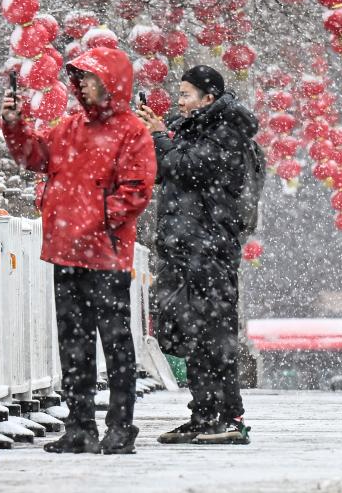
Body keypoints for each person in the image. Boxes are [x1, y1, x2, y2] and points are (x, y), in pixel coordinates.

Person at [1, 46, 156, 455]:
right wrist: (15, 126)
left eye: (90, 78)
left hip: (105, 253)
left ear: (110, 83)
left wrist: (94, 219)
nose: (82, 85)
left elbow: (137, 191)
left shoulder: (132, 132)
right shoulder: (69, 127)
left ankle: (120, 425)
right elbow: (34, 156)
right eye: (81, 78)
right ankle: (80, 425)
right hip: (68, 251)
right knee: (74, 341)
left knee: (115, 341)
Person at [136, 65, 261, 445]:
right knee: (192, 333)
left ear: (208, 98)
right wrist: (158, 136)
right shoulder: (190, 129)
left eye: (186, 94)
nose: (179, 100)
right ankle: (203, 414)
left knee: (215, 334)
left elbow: (189, 167)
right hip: (184, 249)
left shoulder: (227, 131)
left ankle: (229, 417)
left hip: (211, 248)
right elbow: (163, 171)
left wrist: (161, 136)